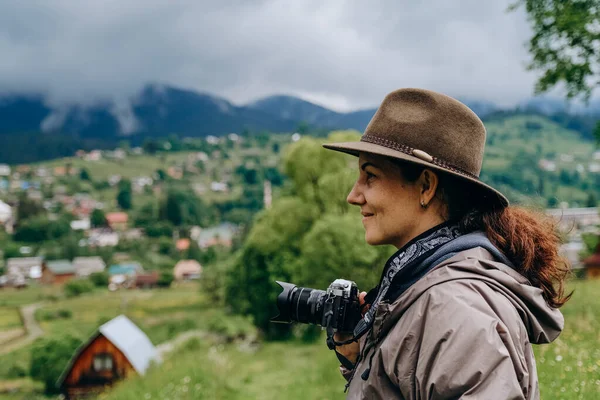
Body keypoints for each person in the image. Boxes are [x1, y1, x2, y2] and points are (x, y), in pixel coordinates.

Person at [322, 88, 569, 400]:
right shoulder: (427, 288)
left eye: (370, 176)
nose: (353, 196)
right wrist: (359, 359)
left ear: (426, 186)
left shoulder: (455, 308)